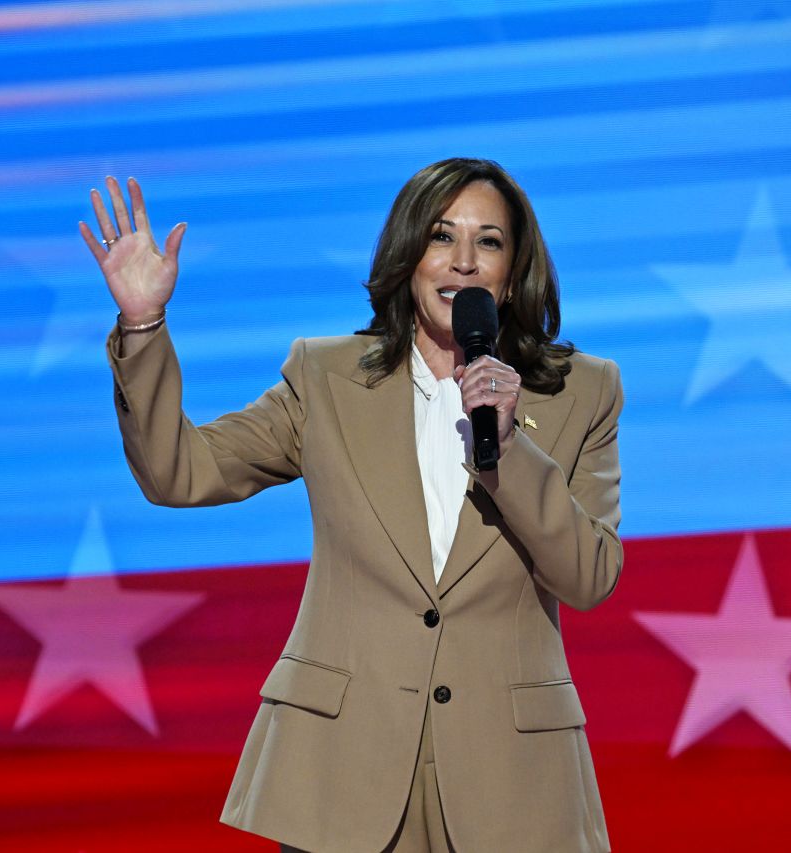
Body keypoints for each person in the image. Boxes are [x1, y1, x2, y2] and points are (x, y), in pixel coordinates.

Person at [80, 158, 623, 853]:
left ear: (512, 274)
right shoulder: (325, 377)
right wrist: (144, 326)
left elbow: (589, 575)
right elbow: (178, 472)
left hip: (511, 786)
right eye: (439, 237)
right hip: (345, 773)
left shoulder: (583, 391)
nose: (462, 261)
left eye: (487, 241)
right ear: (408, 258)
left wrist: (510, 446)